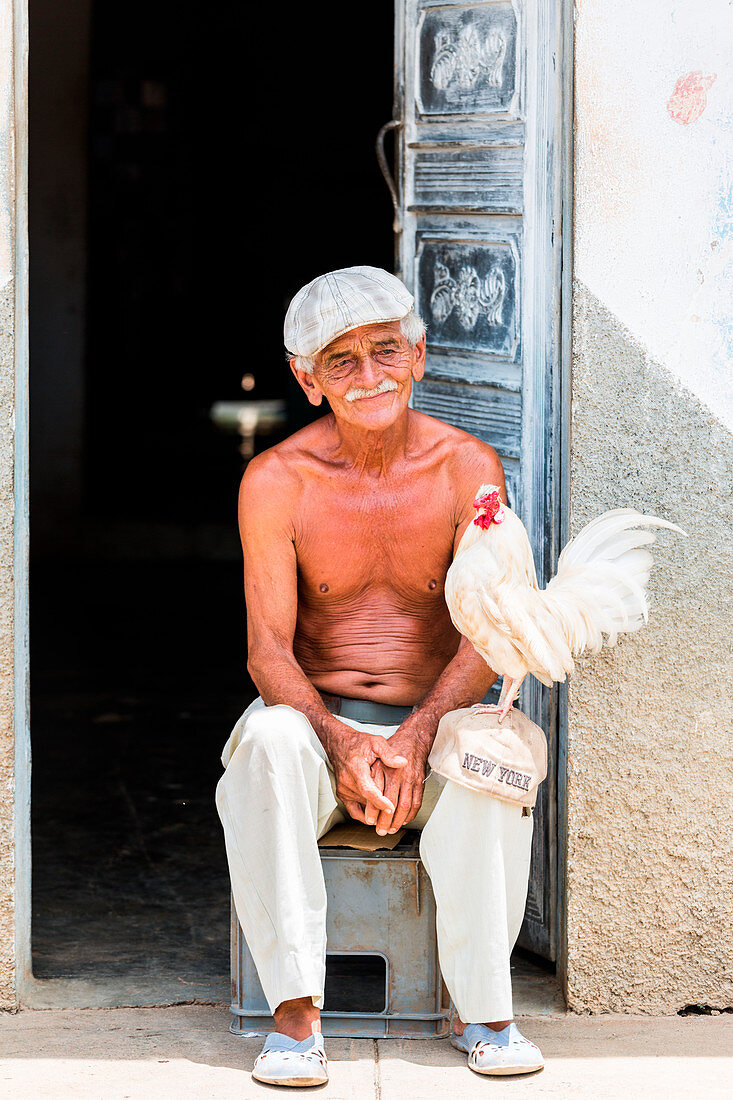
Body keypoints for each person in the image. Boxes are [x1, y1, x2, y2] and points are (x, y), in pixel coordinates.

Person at [216, 266, 543, 1085]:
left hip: (432, 727)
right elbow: (266, 651)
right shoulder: (276, 481)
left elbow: (484, 636)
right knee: (264, 741)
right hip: (322, 728)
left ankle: (485, 1014)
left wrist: (414, 734)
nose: (369, 377)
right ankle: (295, 1017)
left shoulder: (465, 467)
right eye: (340, 361)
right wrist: (337, 742)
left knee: (494, 753)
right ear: (305, 378)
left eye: (385, 351)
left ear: (420, 355)